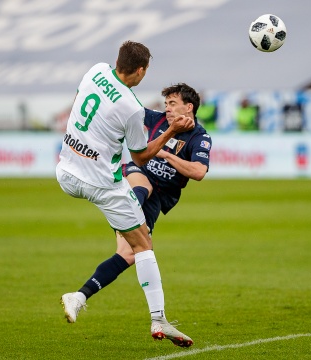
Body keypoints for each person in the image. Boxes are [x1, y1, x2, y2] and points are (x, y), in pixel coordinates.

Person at [56, 41, 195, 347]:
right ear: (141, 70)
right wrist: (170, 132)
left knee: (129, 241)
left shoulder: (96, 71)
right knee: (143, 241)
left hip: (66, 172)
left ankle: (81, 295)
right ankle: (159, 319)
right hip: (101, 183)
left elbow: (80, 101)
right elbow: (142, 157)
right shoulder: (131, 108)